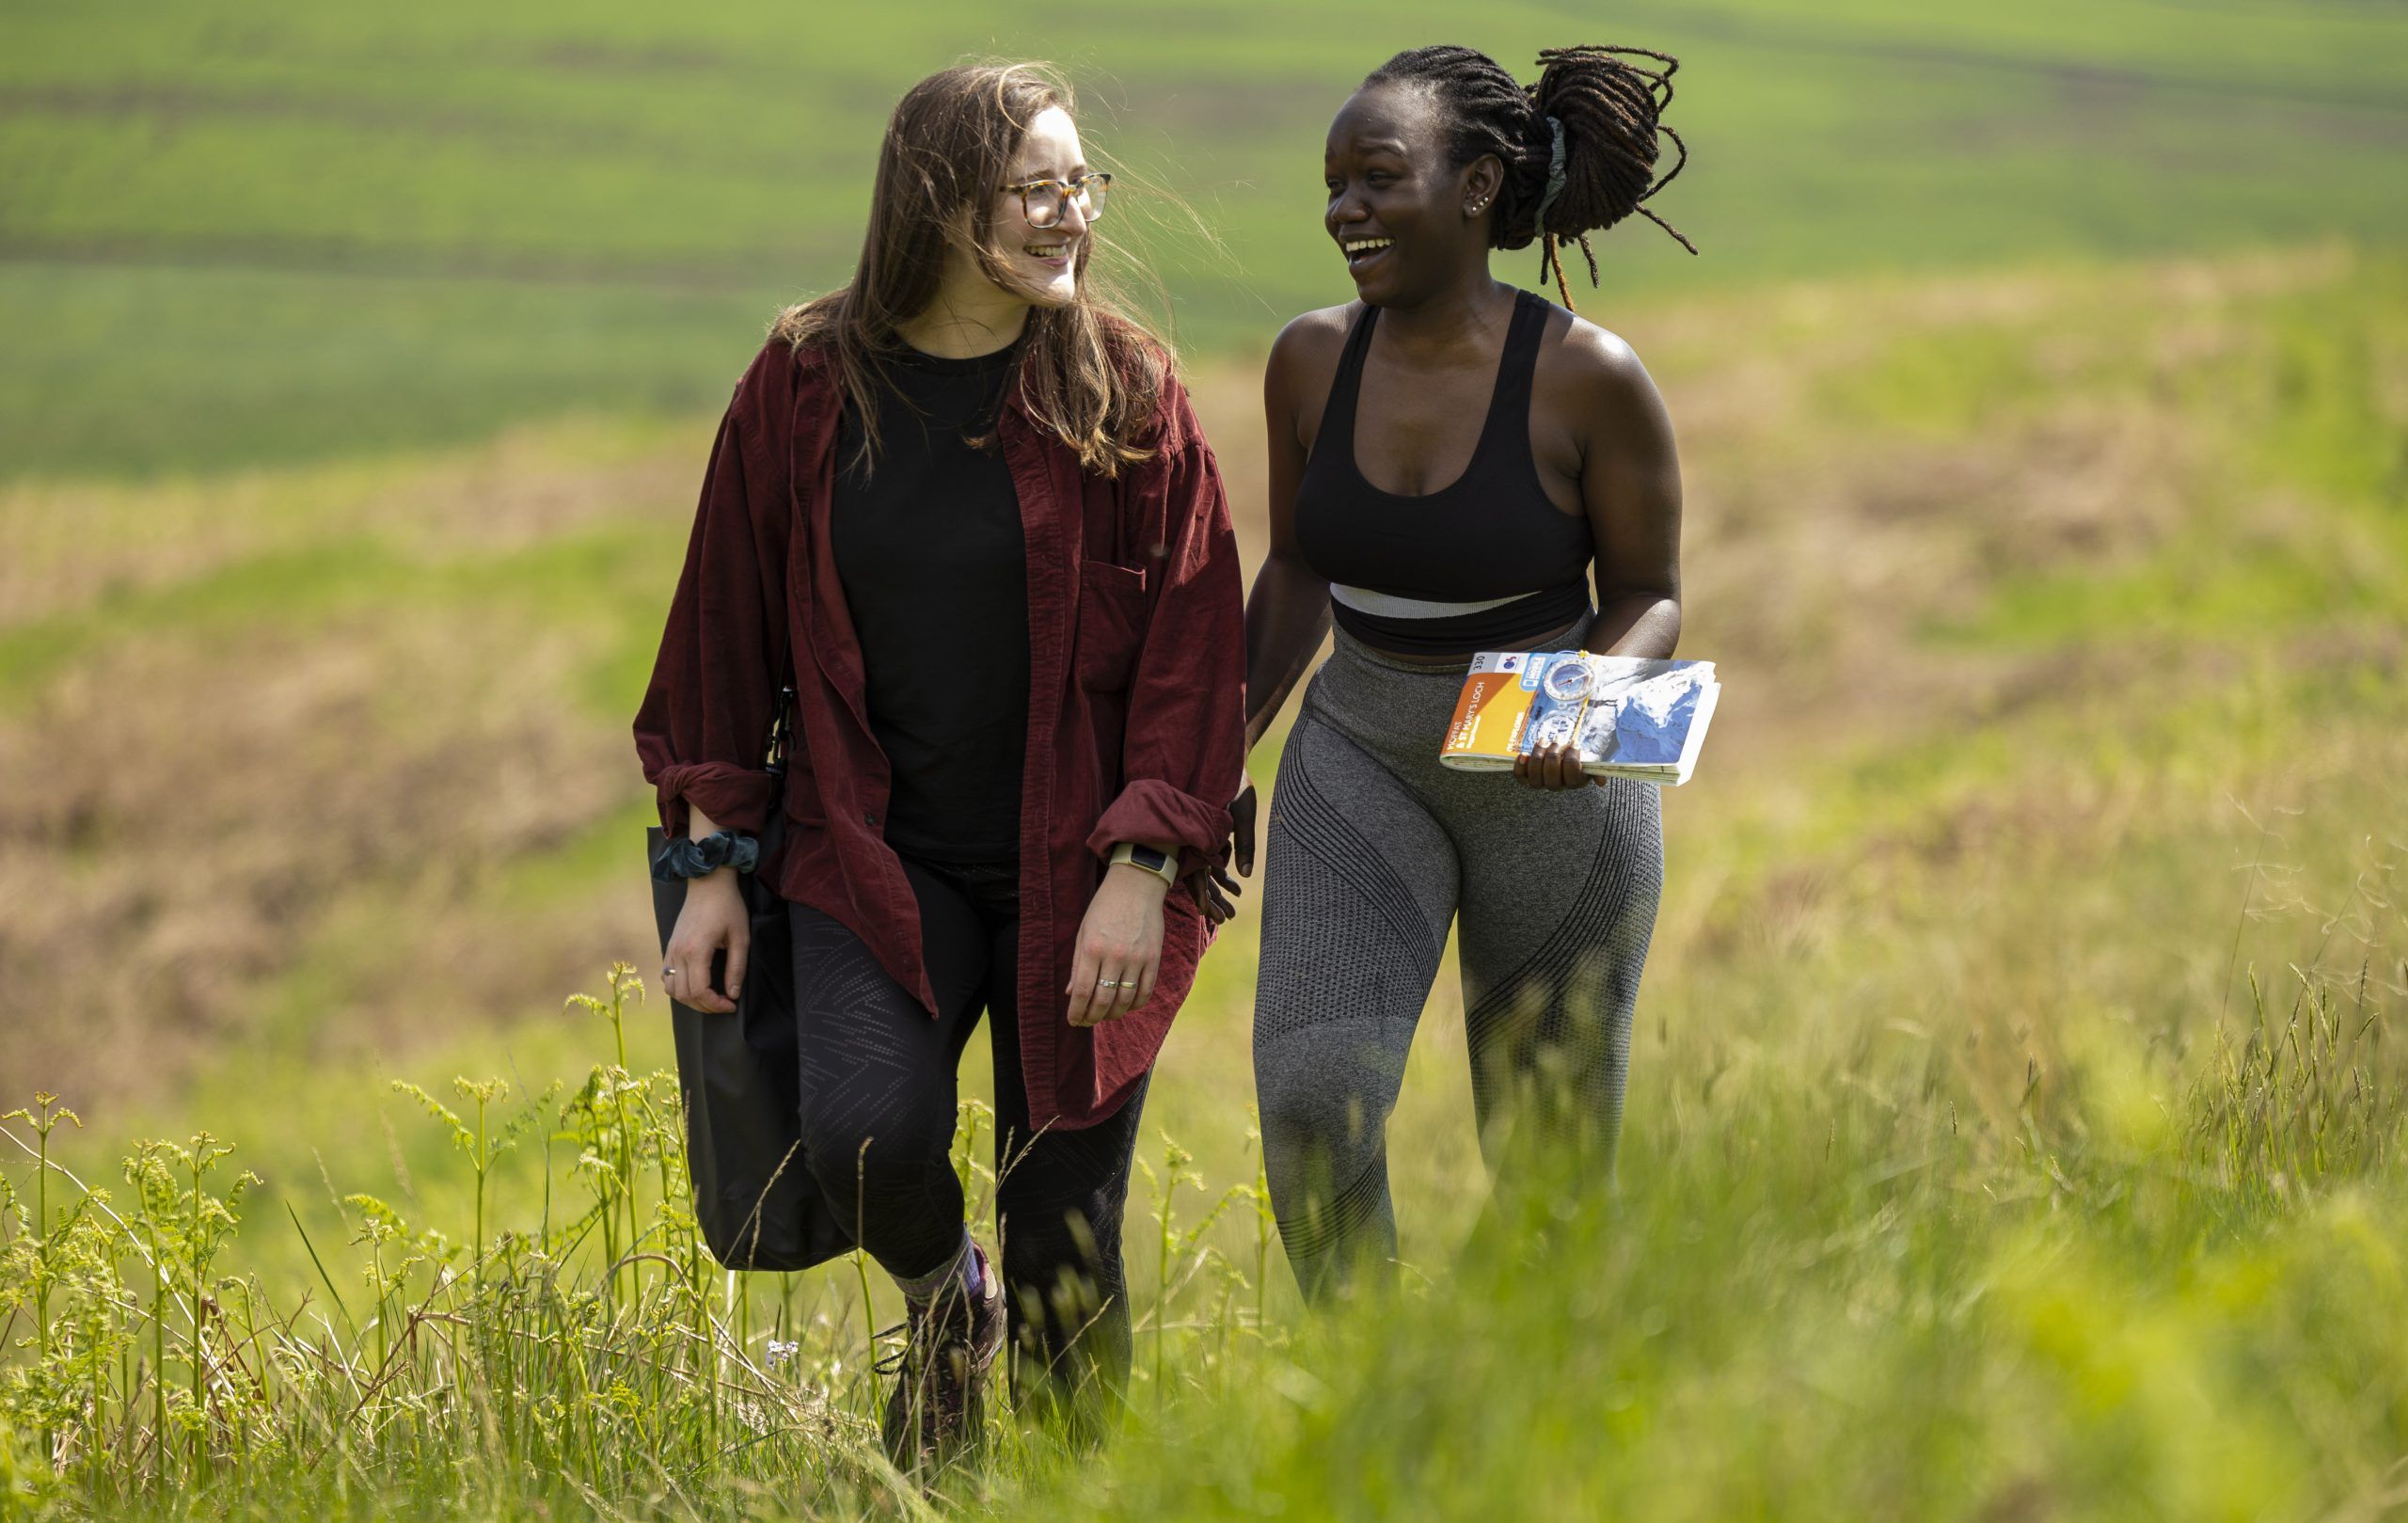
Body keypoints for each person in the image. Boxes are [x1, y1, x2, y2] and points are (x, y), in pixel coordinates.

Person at [632, 62, 1244, 1465]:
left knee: (1066, 1245)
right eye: (1037, 188)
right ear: (937, 200)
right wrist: (713, 864)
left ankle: (1081, 1495)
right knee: (862, 1138)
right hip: (871, 854)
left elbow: (1194, 654)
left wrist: (1146, 868)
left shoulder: (1128, 388)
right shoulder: (802, 385)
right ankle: (939, 1302)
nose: (1070, 214)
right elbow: (723, 628)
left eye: (1081, 184)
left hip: (1086, 868)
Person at [1233, 43, 1692, 1296]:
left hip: (1546, 774)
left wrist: (1588, 704)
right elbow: (1296, 571)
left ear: (1480, 186)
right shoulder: (1310, 361)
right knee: (1314, 1108)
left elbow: (1649, 596)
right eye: (1334, 185)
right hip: (1362, 750)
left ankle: (1518, 1428)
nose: (1346, 212)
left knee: (1547, 1167)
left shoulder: (1588, 376)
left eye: (1379, 178)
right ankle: (1374, 1406)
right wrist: (1214, 747)